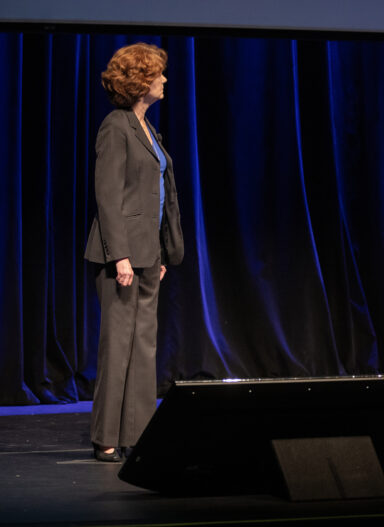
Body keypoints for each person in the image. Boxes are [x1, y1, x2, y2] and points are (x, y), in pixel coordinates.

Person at [84, 43, 184, 461]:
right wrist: (120, 255)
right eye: (158, 74)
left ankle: (138, 434)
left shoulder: (148, 130)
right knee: (118, 345)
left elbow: (157, 198)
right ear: (141, 81)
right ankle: (106, 436)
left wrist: (159, 253)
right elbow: (108, 196)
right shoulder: (116, 126)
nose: (164, 80)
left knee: (144, 345)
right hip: (120, 256)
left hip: (148, 255)